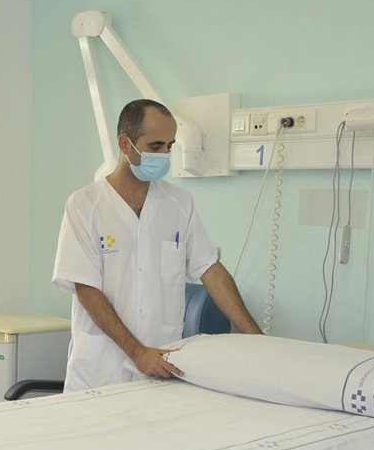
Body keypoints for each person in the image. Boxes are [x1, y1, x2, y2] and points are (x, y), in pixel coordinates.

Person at [52, 98, 261, 391]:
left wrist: (258, 339)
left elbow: (210, 269)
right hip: (100, 370)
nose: (164, 155)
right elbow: (86, 288)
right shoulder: (85, 205)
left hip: (161, 366)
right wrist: (136, 352)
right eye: (155, 146)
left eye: (169, 146)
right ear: (125, 144)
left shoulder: (179, 204)